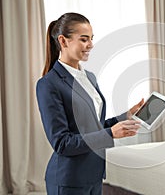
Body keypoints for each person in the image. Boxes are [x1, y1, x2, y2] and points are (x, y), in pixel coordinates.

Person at [36, 12, 144, 195]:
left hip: (93, 175)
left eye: (91, 39)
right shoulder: (48, 84)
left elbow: (92, 126)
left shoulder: (89, 78)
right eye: (84, 39)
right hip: (69, 179)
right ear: (63, 41)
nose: (90, 45)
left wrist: (125, 116)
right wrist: (111, 133)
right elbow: (62, 143)